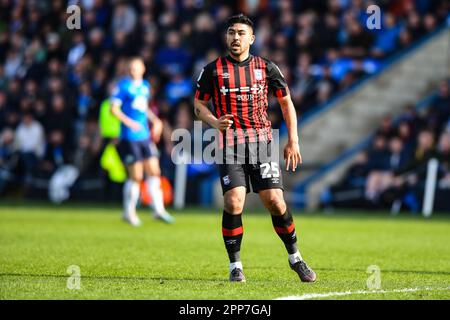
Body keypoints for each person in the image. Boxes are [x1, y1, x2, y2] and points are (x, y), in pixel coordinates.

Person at [193, 14, 316, 283]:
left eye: (240, 33)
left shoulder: (267, 68)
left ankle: (296, 258)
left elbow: (286, 104)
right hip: (228, 146)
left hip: (261, 144)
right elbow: (198, 106)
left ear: (251, 39)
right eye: (231, 33)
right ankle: (235, 266)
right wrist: (215, 121)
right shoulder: (212, 70)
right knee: (234, 201)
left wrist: (293, 140)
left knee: (274, 201)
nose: (235, 38)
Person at [110, 57, 174, 226]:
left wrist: (155, 120)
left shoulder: (145, 86)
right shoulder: (122, 86)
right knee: (136, 176)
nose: (133, 70)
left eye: (136, 67)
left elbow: (143, 107)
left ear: (142, 69)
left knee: (154, 171)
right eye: (131, 68)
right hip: (130, 137)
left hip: (145, 136)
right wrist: (129, 123)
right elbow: (113, 109)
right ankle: (129, 212)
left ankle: (158, 210)